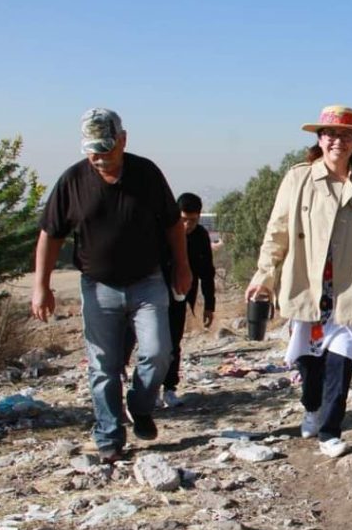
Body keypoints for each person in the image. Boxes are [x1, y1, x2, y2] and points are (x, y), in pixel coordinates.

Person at [31, 108, 191, 463]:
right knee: (103, 365)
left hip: (148, 282)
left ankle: (140, 404)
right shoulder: (73, 180)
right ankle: (109, 434)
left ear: (123, 140)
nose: (99, 157)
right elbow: (50, 234)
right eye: (92, 150)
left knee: (158, 351)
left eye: (106, 148)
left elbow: (172, 225)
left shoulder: (146, 173)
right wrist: (41, 285)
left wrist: (183, 267)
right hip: (98, 287)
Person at [246, 105, 352, 458]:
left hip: (351, 286)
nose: (338, 142)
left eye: (346, 136)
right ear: (320, 139)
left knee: (342, 359)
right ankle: (312, 406)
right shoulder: (298, 178)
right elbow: (278, 231)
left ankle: (331, 430)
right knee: (308, 360)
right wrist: (264, 277)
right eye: (331, 134)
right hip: (307, 284)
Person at [124, 192, 217, 408]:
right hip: (153, 297)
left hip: (180, 297)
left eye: (192, 220)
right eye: (183, 219)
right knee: (153, 344)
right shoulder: (161, 233)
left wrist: (209, 306)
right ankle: (149, 389)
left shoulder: (201, 237)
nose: (187, 225)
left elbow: (207, 273)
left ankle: (170, 388)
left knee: (173, 343)